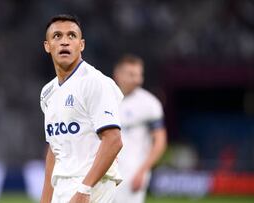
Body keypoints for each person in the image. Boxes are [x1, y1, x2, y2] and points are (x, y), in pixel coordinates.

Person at [39, 14, 124, 203]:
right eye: (57, 36)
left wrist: (85, 189)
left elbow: (113, 139)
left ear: (81, 44)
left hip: (92, 186)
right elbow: (55, 148)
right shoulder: (48, 93)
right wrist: (45, 198)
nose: (64, 42)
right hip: (62, 185)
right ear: (47, 46)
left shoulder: (95, 83)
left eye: (71, 36)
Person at [113, 55, 167, 203]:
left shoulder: (149, 104)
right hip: (105, 172)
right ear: (118, 75)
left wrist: (144, 171)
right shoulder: (106, 99)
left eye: (139, 75)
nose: (137, 80)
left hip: (132, 173)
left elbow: (160, 141)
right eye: (132, 75)